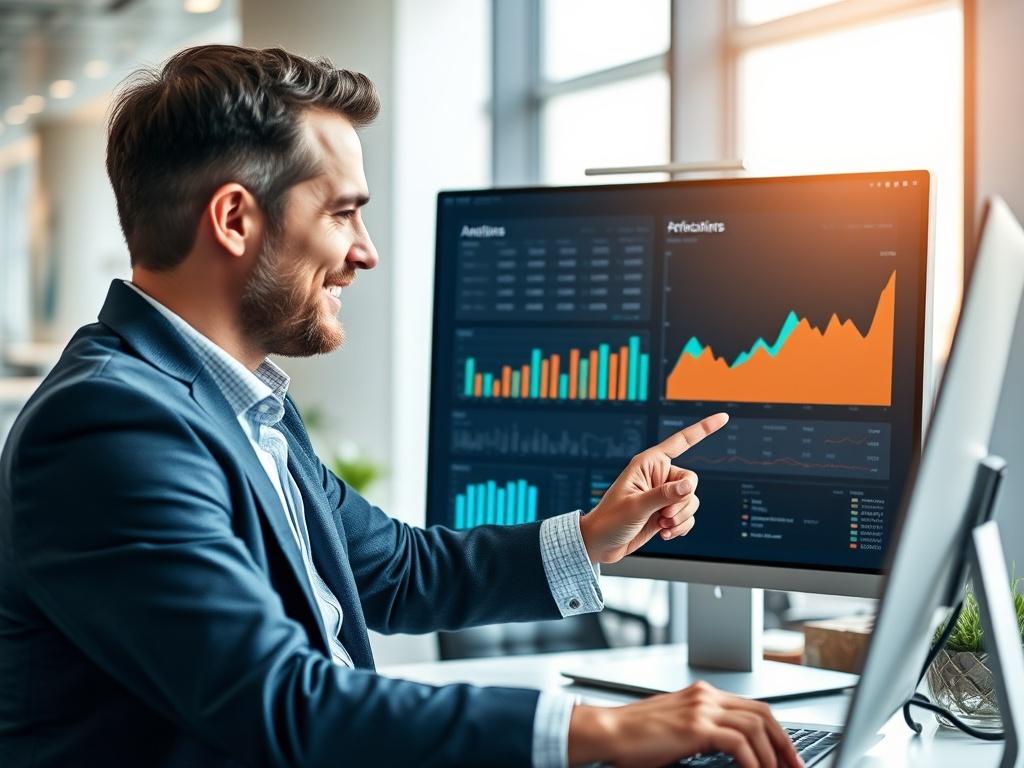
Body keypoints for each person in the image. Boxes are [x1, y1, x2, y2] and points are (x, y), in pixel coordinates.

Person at [0, 45, 800, 768]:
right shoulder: (109, 427)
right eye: (344, 211)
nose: (366, 250)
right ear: (235, 219)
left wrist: (592, 538)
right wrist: (599, 731)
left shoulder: (233, 401)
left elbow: (397, 573)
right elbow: (278, 703)